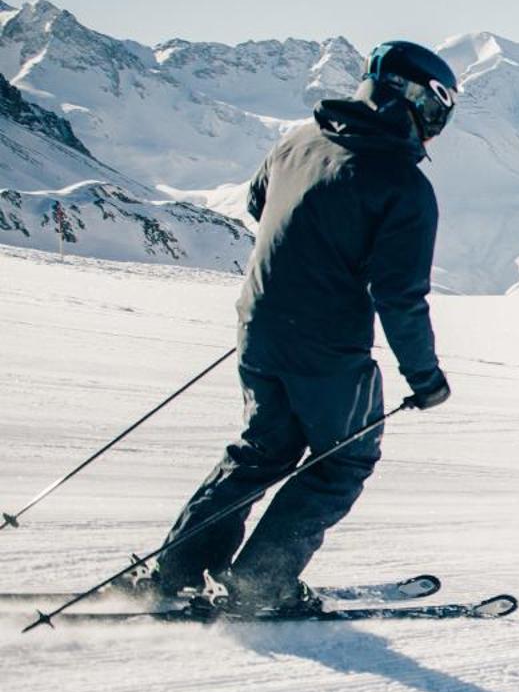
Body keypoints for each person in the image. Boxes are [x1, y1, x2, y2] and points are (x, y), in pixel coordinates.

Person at [146, 41, 458, 615]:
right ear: (419, 100)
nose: (440, 125)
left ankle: (178, 571)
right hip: (327, 346)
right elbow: (400, 295)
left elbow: (258, 202)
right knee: (343, 458)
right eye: (442, 108)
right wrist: (425, 376)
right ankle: (260, 584)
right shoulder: (402, 184)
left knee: (261, 450)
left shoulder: (297, 140)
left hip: (259, 323)